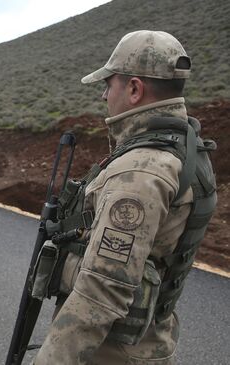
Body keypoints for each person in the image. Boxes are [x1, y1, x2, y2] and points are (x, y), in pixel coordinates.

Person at [32, 30, 217, 364]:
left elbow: (103, 288)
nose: (104, 96)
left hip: (112, 353)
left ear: (134, 89)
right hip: (145, 343)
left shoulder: (141, 172)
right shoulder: (182, 146)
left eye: (109, 84)